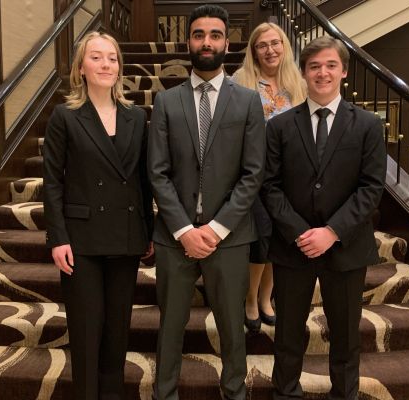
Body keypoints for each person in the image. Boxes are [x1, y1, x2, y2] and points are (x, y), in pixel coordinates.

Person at [147, 5, 265, 400]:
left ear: (226, 43)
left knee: (232, 326)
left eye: (215, 35)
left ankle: (235, 393)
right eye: (199, 35)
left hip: (228, 237)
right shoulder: (166, 102)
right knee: (170, 327)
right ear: (188, 43)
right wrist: (183, 230)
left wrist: (213, 230)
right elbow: (157, 173)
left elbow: (253, 174)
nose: (207, 42)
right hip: (173, 236)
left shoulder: (248, 102)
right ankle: (165, 394)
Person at [261, 36, 386, 400]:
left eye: (331, 65)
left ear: (344, 71)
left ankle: (344, 394)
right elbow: (269, 186)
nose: (322, 73)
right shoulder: (280, 126)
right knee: (287, 332)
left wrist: (331, 231)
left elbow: (371, 187)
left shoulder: (367, 124)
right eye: (314, 66)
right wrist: (302, 233)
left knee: (346, 335)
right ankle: (285, 392)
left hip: (346, 246)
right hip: (292, 246)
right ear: (303, 72)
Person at [43, 31, 154, 400]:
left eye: (112, 58)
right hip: (81, 240)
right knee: (87, 332)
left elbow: (142, 180)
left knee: (116, 333)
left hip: (124, 236)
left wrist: (148, 231)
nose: (106, 64)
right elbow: (53, 181)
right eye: (96, 57)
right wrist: (57, 237)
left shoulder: (136, 116)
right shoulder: (65, 116)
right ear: (81, 67)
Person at [231, 22, 306, 332]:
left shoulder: (298, 82)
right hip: (254, 174)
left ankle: (266, 298)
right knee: (261, 238)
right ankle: (249, 298)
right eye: (262, 45)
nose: (270, 50)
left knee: (278, 238)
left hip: (289, 175)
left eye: (275, 43)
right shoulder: (240, 81)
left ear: (284, 46)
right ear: (254, 51)